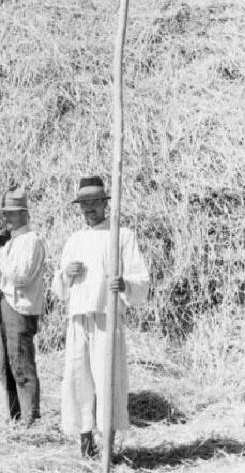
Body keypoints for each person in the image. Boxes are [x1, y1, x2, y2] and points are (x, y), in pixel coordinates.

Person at [52, 175, 150, 457]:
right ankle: (86, 442)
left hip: (106, 319)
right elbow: (58, 287)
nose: (88, 209)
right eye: (84, 204)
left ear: (105, 204)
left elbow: (140, 280)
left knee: (108, 380)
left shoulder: (122, 235)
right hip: (79, 318)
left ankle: (108, 446)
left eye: (93, 203)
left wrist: (125, 285)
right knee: (79, 378)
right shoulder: (75, 239)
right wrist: (66, 275)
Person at [0, 187, 45, 426]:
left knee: (21, 363)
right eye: (5, 213)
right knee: (7, 365)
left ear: (25, 215)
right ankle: (15, 417)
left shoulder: (31, 241)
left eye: (13, 214)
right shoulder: (9, 243)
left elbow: (20, 277)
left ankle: (30, 419)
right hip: (5, 304)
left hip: (19, 308)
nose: (7, 218)